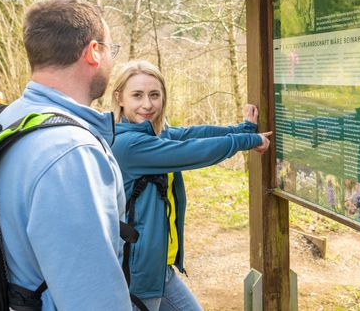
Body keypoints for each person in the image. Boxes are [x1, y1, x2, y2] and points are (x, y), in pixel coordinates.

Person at [0, 0, 132, 310]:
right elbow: (92, 300)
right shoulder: (70, 152)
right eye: (111, 49)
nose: (111, 59)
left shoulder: (8, 118)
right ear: (94, 52)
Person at [109, 59, 271, 311]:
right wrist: (247, 140)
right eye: (137, 95)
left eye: (154, 95)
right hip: (137, 273)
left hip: (158, 268)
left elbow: (191, 134)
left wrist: (242, 129)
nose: (147, 104)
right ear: (120, 98)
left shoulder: (152, 134)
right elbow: (192, 150)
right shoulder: (128, 144)